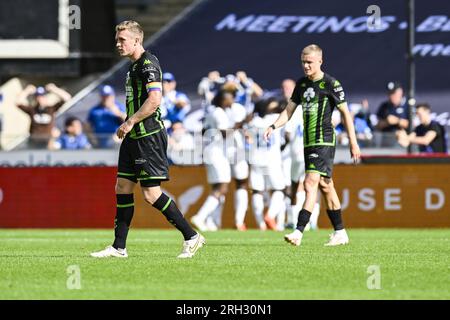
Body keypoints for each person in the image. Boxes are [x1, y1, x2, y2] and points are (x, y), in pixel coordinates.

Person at [90, 20, 205, 259]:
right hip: (133, 137)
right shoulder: (133, 67)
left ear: (136, 40)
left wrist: (130, 121)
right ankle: (119, 247)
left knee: (151, 194)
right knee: (122, 187)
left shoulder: (148, 64)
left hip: (148, 136)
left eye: (122, 40)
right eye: (117, 40)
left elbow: (155, 100)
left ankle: (192, 236)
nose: (118, 44)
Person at [264, 44, 361, 247]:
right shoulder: (301, 85)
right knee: (326, 186)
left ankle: (298, 231)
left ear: (320, 61)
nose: (306, 66)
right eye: (303, 62)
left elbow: (346, 114)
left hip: (324, 141)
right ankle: (340, 232)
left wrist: (353, 142)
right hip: (308, 143)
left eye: (309, 62)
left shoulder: (331, 84)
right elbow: (289, 111)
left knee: (309, 184)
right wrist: (273, 126)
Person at [16, 83, 71, 149]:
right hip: (34, 142)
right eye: (38, 97)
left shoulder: (51, 109)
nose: (40, 99)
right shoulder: (33, 110)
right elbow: (17, 102)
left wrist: (54, 89)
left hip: (47, 142)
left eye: (42, 96)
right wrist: (27, 91)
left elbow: (67, 98)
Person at [375, 82, 409, 146]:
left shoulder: (408, 106)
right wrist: (386, 122)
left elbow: (413, 126)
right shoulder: (384, 106)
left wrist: (397, 121)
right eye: (389, 93)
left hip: (402, 142)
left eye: (393, 93)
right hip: (386, 140)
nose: (391, 96)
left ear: (400, 93)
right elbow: (377, 126)